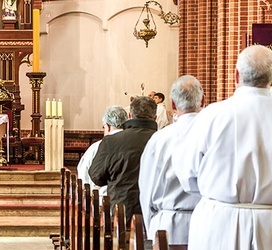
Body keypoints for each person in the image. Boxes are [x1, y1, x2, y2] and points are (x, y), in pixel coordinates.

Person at [172, 44, 272, 249]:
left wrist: (216, 191)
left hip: (219, 223)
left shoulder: (212, 115)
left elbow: (187, 173)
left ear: (236, 76)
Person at [139, 75, 203, 244]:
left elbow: (146, 190)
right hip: (207, 225)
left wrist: (150, 225)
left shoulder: (160, 139)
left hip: (167, 228)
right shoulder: (215, 134)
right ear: (202, 101)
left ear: (173, 104)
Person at [89, 96, 157, 227]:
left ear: (130, 115)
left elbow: (96, 176)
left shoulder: (112, 141)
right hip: (155, 214)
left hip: (123, 212)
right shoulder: (165, 140)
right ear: (155, 117)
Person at [77, 105, 128, 204]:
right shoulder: (134, 145)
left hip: (103, 201)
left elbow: (84, 176)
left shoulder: (97, 147)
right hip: (131, 201)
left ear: (107, 126)